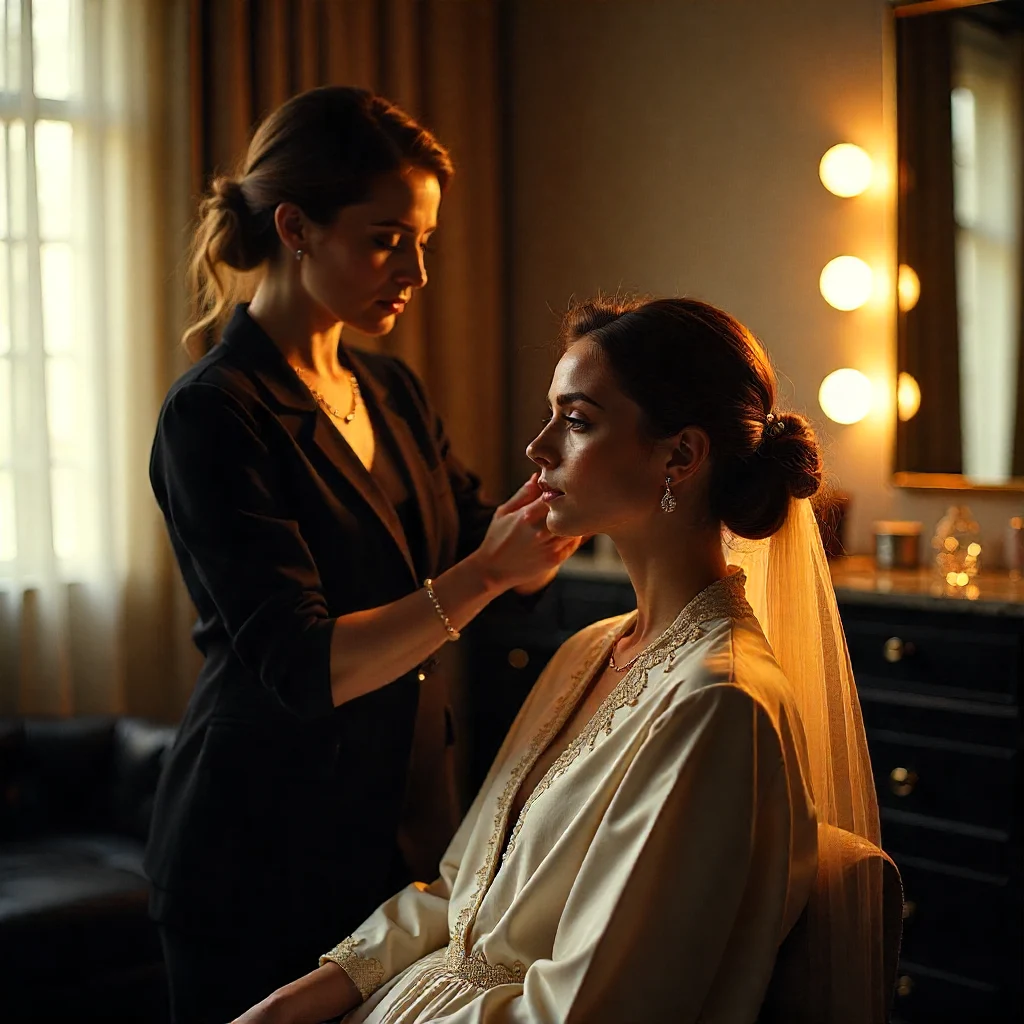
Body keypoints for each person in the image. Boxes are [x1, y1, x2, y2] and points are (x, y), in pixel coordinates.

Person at [233, 296, 884, 1024]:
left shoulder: (719, 705)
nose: (537, 449)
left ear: (681, 455)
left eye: (576, 422)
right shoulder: (590, 650)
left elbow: (590, 1010)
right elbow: (458, 893)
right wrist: (294, 1003)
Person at [146, 86, 580, 1024]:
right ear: (295, 227)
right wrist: (486, 572)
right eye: (388, 238)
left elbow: (476, 547)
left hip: (404, 832)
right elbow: (303, 665)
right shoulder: (217, 413)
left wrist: (563, 508)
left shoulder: (389, 389)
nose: (416, 271)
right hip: (257, 848)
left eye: (424, 239)